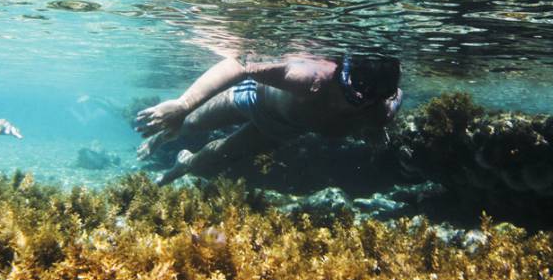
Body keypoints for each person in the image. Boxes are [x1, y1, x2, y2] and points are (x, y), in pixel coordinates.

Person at [135, 54, 402, 184]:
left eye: (356, 98)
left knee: (213, 160)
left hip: (280, 130)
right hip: (251, 98)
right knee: (190, 122)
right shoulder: (313, 80)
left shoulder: (378, 113)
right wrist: (183, 104)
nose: (342, 98)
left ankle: (184, 163)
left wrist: (375, 129)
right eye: (346, 85)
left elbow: (391, 101)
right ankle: (162, 135)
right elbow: (241, 65)